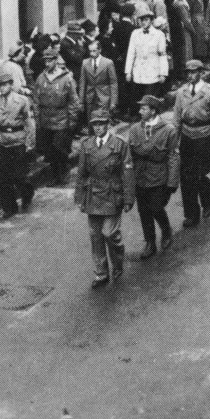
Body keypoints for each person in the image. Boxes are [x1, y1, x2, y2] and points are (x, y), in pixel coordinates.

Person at [75, 109, 135, 288]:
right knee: (95, 236)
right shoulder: (86, 145)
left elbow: (127, 171)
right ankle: (101, 272)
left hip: (112, 193)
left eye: (101, 124)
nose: (98, 128)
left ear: (108, 124)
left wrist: (128, 198)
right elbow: (81, 173)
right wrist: (79, 196)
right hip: (93, 194)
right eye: (95, 124)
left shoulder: (119, 144)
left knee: (109, 233)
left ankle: (117, 263)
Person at [128, 95, 179, 259]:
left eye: (143, 108)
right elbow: (130, 156)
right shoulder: (135, 129)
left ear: (153, 110)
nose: (140, 111)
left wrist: (172, 181)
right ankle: (150, 242)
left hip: (159, 176)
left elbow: (173, 156)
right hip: (140, 177)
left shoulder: (168, 130)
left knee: (156, 207)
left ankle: (165, 229)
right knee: (143, 211)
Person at [174, 59, 210, 227]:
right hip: (187, 136)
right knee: (186, 176)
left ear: (201, 73)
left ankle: (207, 201)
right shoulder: (181, 92)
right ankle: (191, 214)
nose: (190, 75)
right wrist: (175, 141)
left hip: (203, 135)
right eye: (187, 72)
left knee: (201, 173)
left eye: (193, 72)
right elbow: (177, 118)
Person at [0, 63, 36, 217]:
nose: (2, 88)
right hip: (2, 142)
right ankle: (9, 207)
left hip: (18, 141)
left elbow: (29, 123)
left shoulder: (22, 101)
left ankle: (27, 194)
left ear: (11, 85)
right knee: (3, 178)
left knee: (20, 176)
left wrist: (30, 142)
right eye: (0, 85)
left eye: (5, 84)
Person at [35, 47, 81, 186]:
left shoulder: (66, 79)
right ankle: (55, 175)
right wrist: (38, 119)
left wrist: (72, 120)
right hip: (46, 120)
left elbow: (74, 101)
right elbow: (36, 100)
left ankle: (65, 169)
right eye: (45, 61)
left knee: (59, 147)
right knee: (49, 150)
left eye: (50, 60)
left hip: (61, 119)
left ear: (56, 61)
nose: (46, 63)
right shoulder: (41, 78)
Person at [124, 8, 169, 103]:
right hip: (138, 71)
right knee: (137, 98)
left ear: (151, 20)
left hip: (152, 71)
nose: (143, 22)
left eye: (146, 20)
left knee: (149, 98)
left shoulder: (159, 35)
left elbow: (162, 55)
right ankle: (136, 116)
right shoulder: (135, 33)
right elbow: (131, 53)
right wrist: (128, 71)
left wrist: (163, 73)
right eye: (141, 20)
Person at [78, 39, 118, 123]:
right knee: (91, 122)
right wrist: (81, 101)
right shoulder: (85, 63)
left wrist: (113, 102)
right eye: (90, 51)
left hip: (104, 97)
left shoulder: (108, 63)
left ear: (100, 50)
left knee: (102, 121)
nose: (92, 53)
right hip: (90, 97)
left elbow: (113, 83)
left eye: (94, 51)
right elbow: (82, 83)